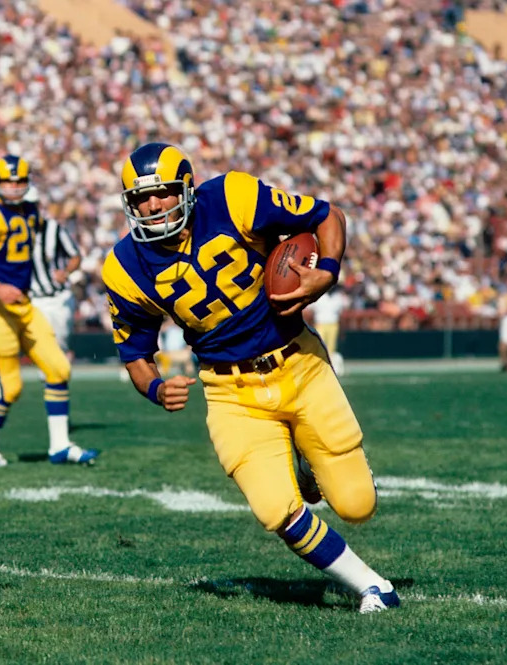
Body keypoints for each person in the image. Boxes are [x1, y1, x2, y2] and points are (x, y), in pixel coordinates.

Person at [103, 142, 400, 613]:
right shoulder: (124, 266)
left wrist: (326, 272)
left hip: (299, 363)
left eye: (160, 193)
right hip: (229, 390)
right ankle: (371, 586)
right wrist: (158, 389)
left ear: (187, 189)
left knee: (357, 505)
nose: (152, 206)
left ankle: (309, 462)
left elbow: (329, 216)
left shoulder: (232, 197)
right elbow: (136, 355)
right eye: (140, 199)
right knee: (273, 508)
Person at [0, 155, 98, 466]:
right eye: (9, 181)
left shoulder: (31, 211)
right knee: (10, 388)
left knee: (59, 368)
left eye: (20, 181)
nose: (15, 187)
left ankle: (59, 445)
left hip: (25, 303)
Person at [27, 187, 82, 355]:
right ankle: (51, 379)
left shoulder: (53, 229)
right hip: (34, 299)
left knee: (59, 344)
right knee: (43, 346)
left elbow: (75, 256)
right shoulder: (14, 233)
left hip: (58, 298)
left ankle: (58, 376)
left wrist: (65, 272)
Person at [305, 285, 347, 376]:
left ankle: (330, 368)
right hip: (320, 323)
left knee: (331, 347)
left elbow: (341, 315)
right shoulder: (319, 296)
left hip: (333, 324)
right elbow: (310, 312)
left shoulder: (338, 298)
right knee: (320, 346)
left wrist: (342, 329)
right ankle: (319, 367)